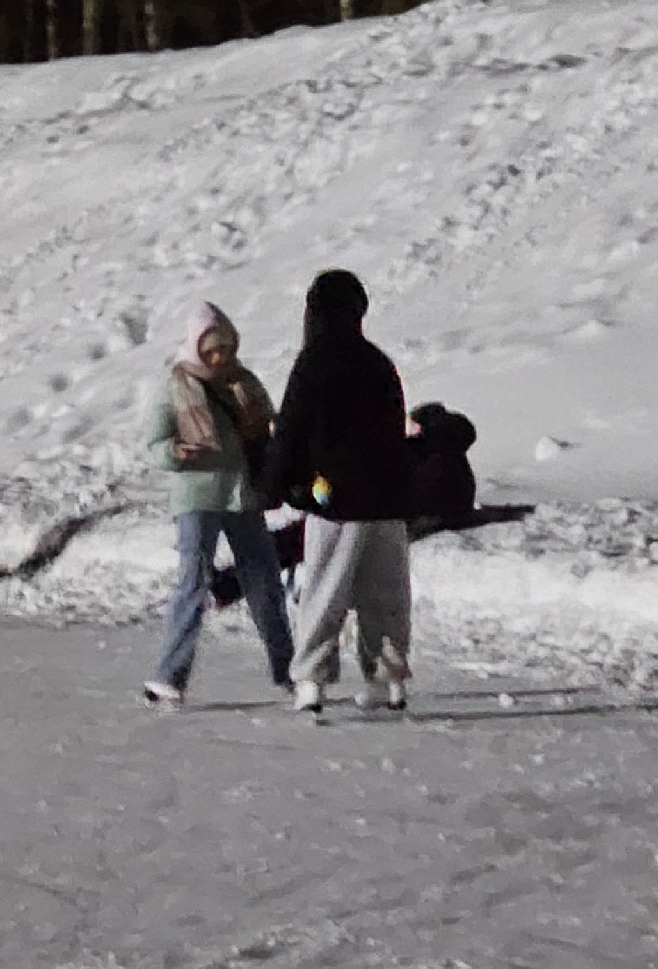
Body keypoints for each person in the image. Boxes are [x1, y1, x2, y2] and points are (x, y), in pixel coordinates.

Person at [262, 268, 413, 715]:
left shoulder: (315, 361)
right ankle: (390, 681)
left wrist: (272, 486)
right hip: (387, 501)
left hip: (338, 501)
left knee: (326, 591)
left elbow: (291, 431)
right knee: (385, 594)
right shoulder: (379, 363)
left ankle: (311, 680)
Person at [140, 300, 296, 707]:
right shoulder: (173, 387)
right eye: (212, 348)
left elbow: (270, 424)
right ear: (196, 347)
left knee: (264, 581)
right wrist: (176, 451)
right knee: (193, 583)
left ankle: (289, 668)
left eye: (226, 347)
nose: (220, 356)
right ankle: (169, 677)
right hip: (197, 496)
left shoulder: (245, 382)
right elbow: (154, 444)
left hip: (243, 494)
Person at [405, 401, 479, 539]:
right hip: (456, 509)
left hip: (435, 516)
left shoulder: (430, 454)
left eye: (413, 426)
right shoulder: (450, 448)